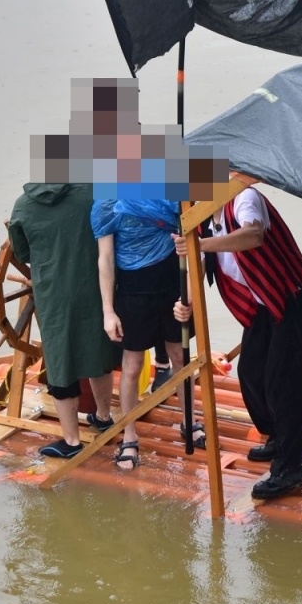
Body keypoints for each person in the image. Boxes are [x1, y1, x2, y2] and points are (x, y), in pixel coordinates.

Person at [173, 186, 302, 500]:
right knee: (252, 374)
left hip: (295, 296)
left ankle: (292, 466)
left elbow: (253, 235)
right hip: (262, 303)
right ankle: (279, 436)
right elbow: (197, 267)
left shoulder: (244, 199)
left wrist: (200, 243)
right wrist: (184, 304)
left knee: (286, 382)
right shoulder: (199, 220)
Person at [7, 182, 120, 460]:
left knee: (60, 360)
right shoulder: (93, 193)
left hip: (53, 293)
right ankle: (103, 416)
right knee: (99, 351)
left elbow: (22, 253)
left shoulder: (22, 205)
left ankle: (71, 441)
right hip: (93, 286)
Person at [93, 194, 187, 471]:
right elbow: (106, 259)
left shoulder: (170, 191)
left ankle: (189, 421)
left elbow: (192, 239)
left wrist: (189, 295)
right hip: (133, 289)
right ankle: (129, 435)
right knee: (132, 366)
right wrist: (108, 311)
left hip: (172, 279)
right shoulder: (106, 202)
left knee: (179, 357)